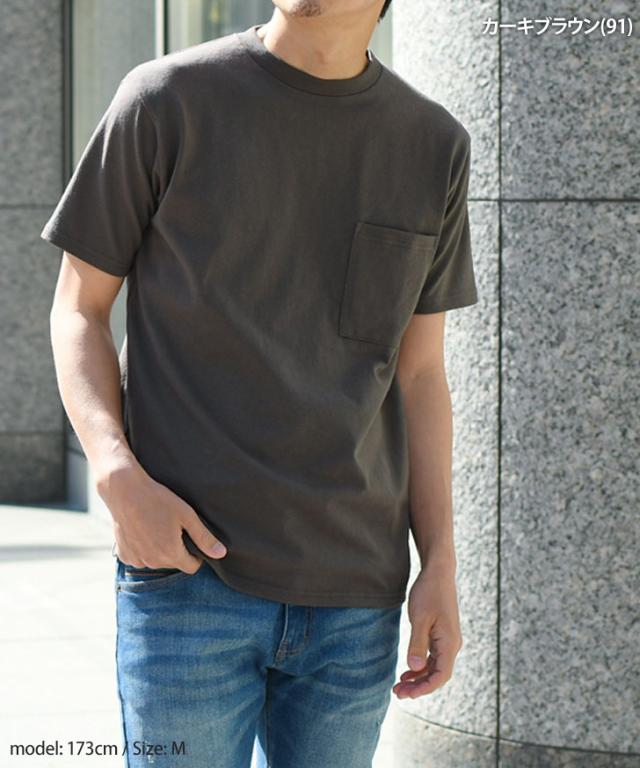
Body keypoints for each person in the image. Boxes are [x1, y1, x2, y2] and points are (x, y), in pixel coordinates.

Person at [41, 1, 478, 765]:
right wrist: (115, 476)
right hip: (188, 576)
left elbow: (419, 374)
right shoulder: (165, 100)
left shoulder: (432, 143)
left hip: (356, 596)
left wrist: (438, 560)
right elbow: (78, 307)